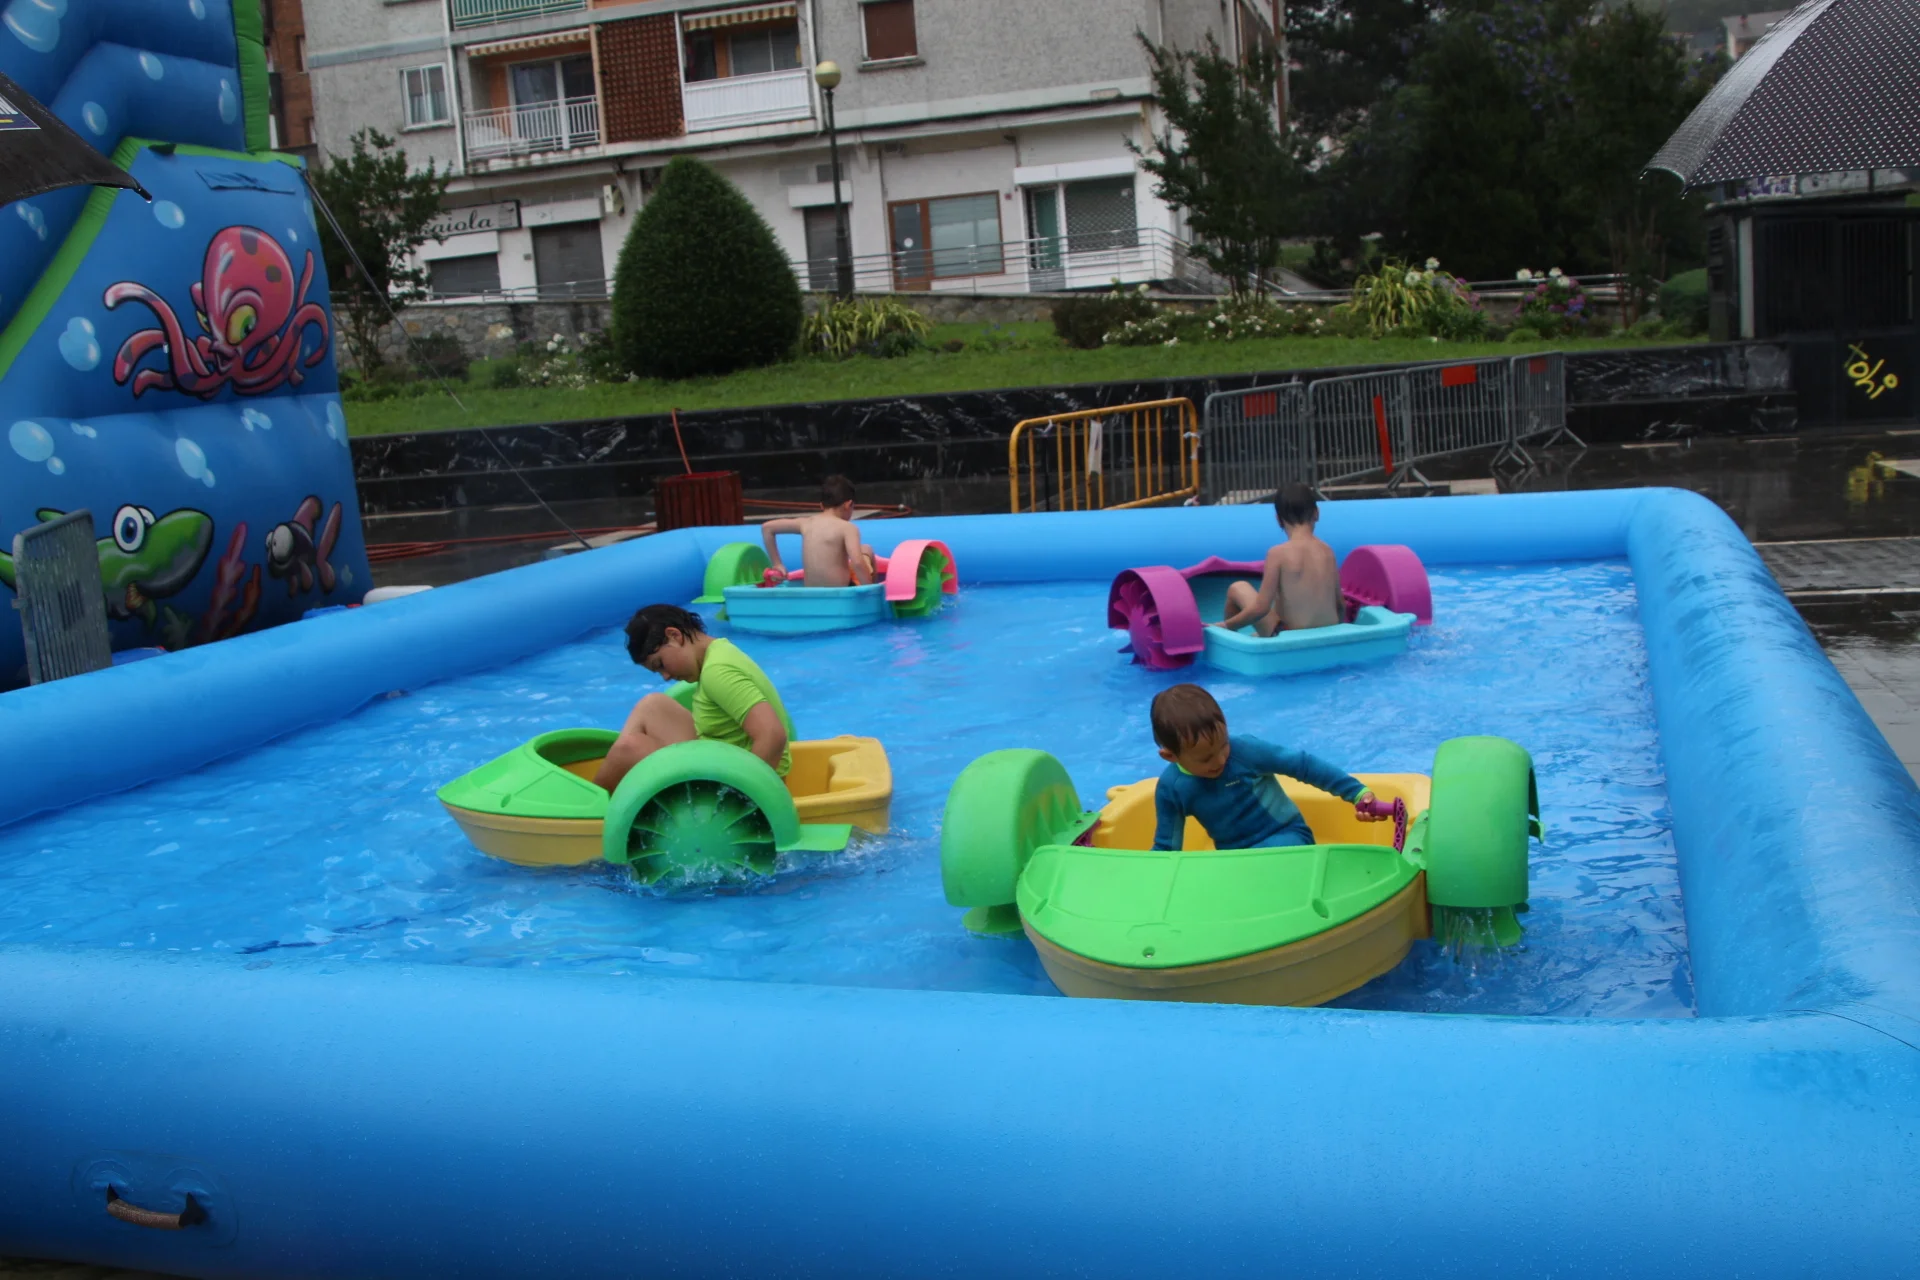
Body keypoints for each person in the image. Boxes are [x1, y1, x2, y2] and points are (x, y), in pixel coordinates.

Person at [1148, 683, 1384, 852]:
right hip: (1236, 857)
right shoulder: (1172, 788)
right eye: (1206, 758)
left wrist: (1357, 793)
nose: (1220, 760)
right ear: (1170, 756)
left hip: (1285, 836)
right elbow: (1167, 847)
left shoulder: (1246, 751)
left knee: (1274, 861)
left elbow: (1304, 765)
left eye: (1223, 745)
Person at [592, 604, 795, 792]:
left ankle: (594, 810)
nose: (665, 677)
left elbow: (772, 735)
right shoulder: (719, 650)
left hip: (735, 787)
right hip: (723, 761)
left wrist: (742, 796)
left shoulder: (717, 672)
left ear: (674, 636)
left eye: (660, 664)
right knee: (652, 705)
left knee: (630, 748)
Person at [1212, 482, 1345, 636]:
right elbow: (1340, 605)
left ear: (1278, 520)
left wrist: (1225, 625)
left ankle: (1229, 637)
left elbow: (1261, 608)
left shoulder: (1277, 554)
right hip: (1329, 634)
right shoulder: (1328, 551)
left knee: (1237, 587)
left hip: (1289, 637)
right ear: (1317, 513)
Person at [761, 475, 877, 588]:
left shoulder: (806, 523)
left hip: (812, 594)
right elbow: (857, 563)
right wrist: (870, 590)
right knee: (866, 549)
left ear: (821, 506)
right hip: (841, 594)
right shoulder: (848, 528)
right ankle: (874, 587)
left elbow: (767, 528)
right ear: (849, 504)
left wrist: (777, 564)